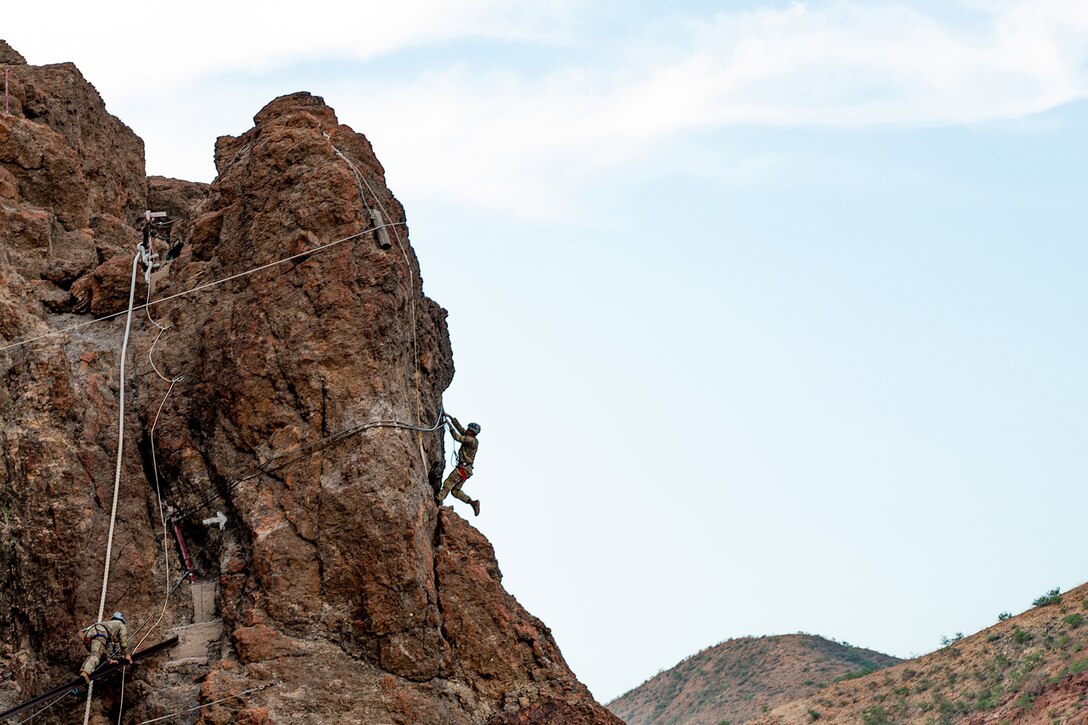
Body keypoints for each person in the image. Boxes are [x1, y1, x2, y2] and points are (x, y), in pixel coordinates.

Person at [437, 414, 481, 516]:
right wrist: (451, 419)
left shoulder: (471, 440)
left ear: (472, 432)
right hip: (466, 470)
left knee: (448, 483)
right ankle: (472, 502)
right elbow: (461, 430)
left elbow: (457, 437)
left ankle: (437, 499)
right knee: (455, 491)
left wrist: (448, 424)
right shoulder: (471, 438)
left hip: (463, 468)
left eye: (469, 429)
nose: (467, 430)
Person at [78, 612, 132, 685]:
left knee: (94, 654)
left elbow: (102, 649)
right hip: (98, 633)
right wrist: (126, 655)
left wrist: (109, 660)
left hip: (88, 634)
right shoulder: (120, 624)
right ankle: (86, 672)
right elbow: (123, 641)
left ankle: (83, 672)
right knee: (96, 656)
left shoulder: (108, 624)